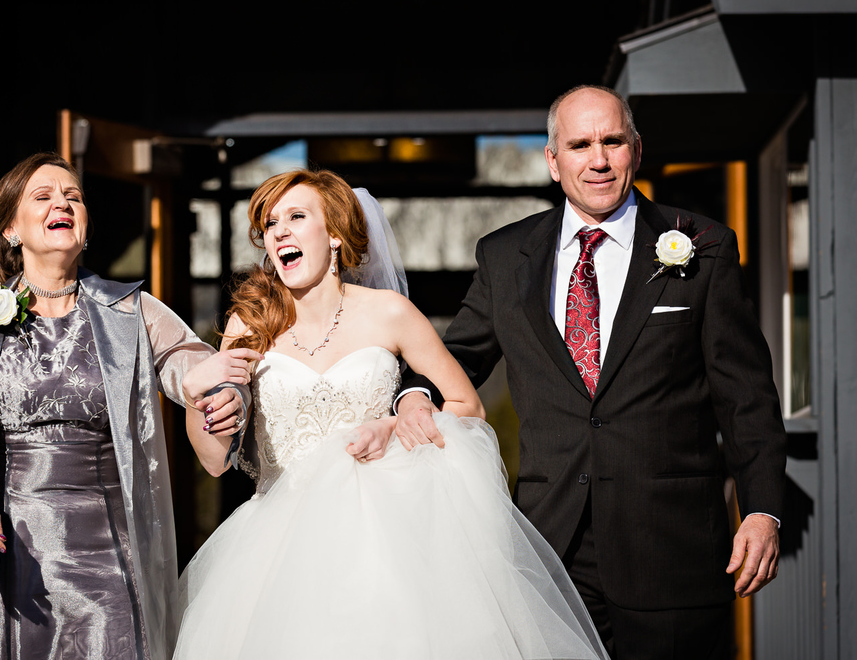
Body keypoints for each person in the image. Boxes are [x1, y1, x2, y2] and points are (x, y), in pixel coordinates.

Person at [395, 85, 787, 659]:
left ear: (636, 149)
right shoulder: (506, 257)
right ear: (554, 161)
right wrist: (413, 396)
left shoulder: (703, 246)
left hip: (672, 550)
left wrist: (762, 507)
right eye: (580, 145)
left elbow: (746, 394)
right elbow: (457, 359)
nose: (598, 160)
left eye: (612, 141)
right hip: (550, 549)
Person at [171, 169, 609, 659]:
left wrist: (395, 423)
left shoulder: (390, 313)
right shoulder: (249, 324)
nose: (281, 232)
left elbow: (469, 407)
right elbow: (214, 460)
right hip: (279, 552)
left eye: (297, 216)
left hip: (390, 542)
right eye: (271, 224)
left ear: (335, 234)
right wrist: (197, 395)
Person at [0, 152, 255, 659]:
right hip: (13, 554)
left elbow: (191, 366)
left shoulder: (131, 310)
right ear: (12, 228)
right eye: (45, 196)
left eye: (73, 196)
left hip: (110, 556)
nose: (64, 203)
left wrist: (217, 391)